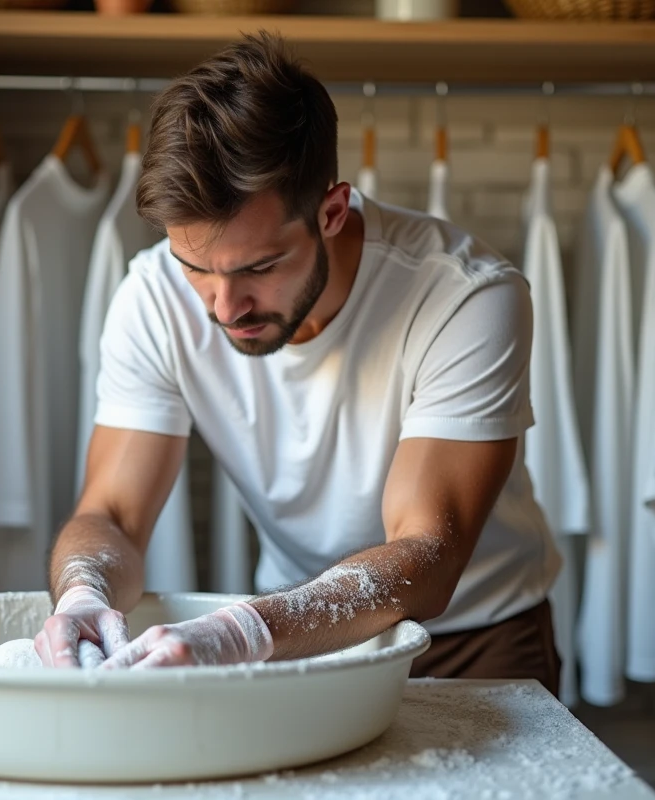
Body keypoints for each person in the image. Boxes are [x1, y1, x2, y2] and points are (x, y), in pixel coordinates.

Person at [33, 32, 562, 693]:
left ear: (332, 212)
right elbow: (111, 513)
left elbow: (429, 552)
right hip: (293, 631)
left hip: (474, 637)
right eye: (195, 267)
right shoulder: (151, 298)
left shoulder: (466, 295)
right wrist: (84, 593)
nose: (225, 306)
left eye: (260, 266)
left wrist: (239, 631)